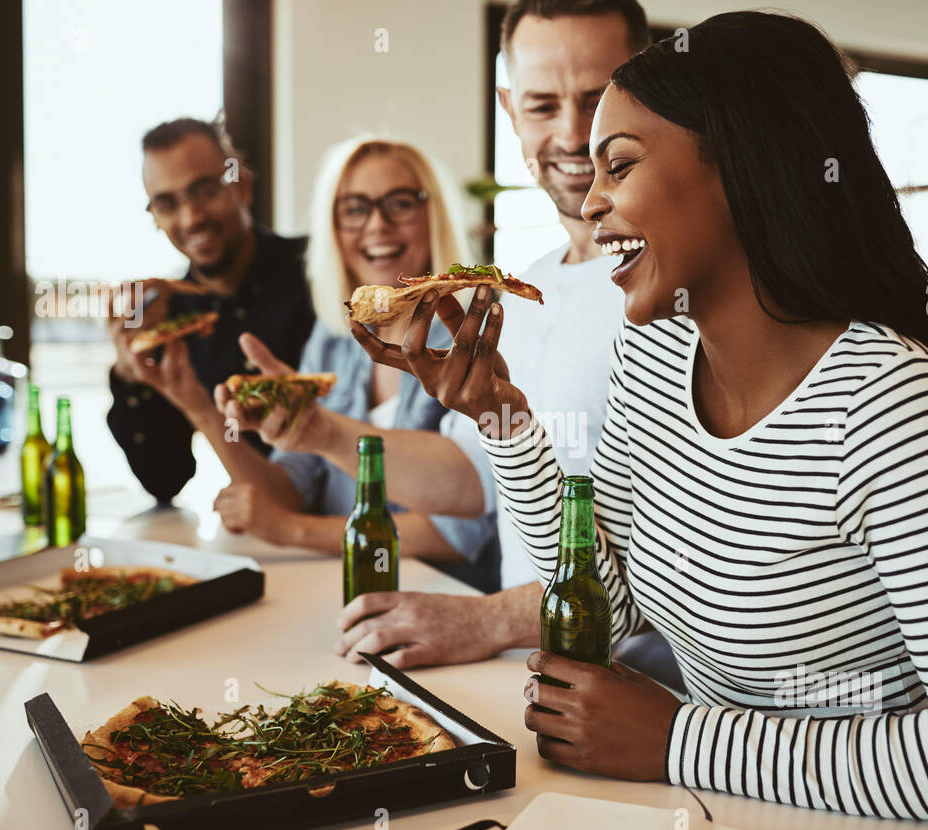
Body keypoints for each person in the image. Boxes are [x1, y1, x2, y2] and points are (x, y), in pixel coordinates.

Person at [356, 11, 928, 830]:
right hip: (717, 827)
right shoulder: (657, 354)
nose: (591, 204)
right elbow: (609, 601)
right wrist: (501, 419)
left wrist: (677, 740)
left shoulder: (891, 403)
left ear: (738, 165)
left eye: (618, 165)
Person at [222, 0, 680, 680]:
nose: (576, 132)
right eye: (542, 104)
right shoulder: (522, 292)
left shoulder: (684, 290)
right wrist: (317, 432)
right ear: (508, 106)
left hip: (649, 701)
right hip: (527, 683)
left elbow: (680, 565)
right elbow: (476, 485)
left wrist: (485, 618)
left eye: (598, 100)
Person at [137, 135, 497, 593]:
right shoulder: (333, 339)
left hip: (447, 600)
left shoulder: (475, 336)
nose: (377, 225)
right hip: (340, 592)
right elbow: (291, 489)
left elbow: (460, 532)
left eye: (400, 203)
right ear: (333, 228)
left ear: (434, 212)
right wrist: (194, 401)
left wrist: (292, 530)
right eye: (354, 209)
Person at [107, 117, 317, 504]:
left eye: (203, 191)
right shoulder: (168, 320)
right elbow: (165, 480)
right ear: (154, 217)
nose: (191, 218)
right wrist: (130, 375)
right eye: (167, 203)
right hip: (258, 535)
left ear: (242, 186)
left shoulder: (320, 270)